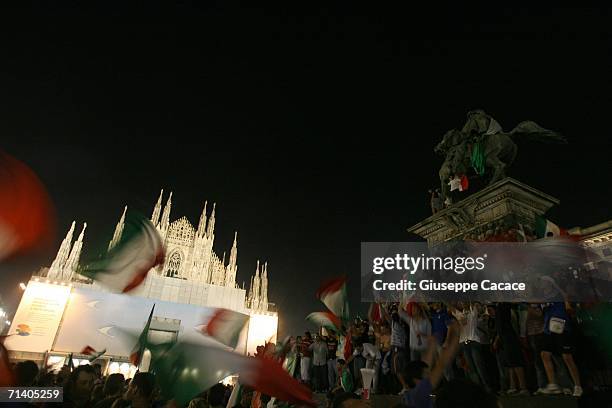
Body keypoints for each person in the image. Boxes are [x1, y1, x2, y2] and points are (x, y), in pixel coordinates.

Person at [400, 321, 460, 408]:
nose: (429, 375)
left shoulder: (409, 395)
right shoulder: (420, 391)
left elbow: (425, 364)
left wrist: (432, 346)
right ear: (416, 380)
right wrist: (456, 335)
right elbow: (441, 364)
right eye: (426, 374)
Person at [540, 302, 583, 397]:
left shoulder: (561, 291)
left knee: (567, 357)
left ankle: (577, 386)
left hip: (561, 325)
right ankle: (553, 384)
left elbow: (570, 309)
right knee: (545, 354)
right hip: (548, 327)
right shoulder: (544, 294)